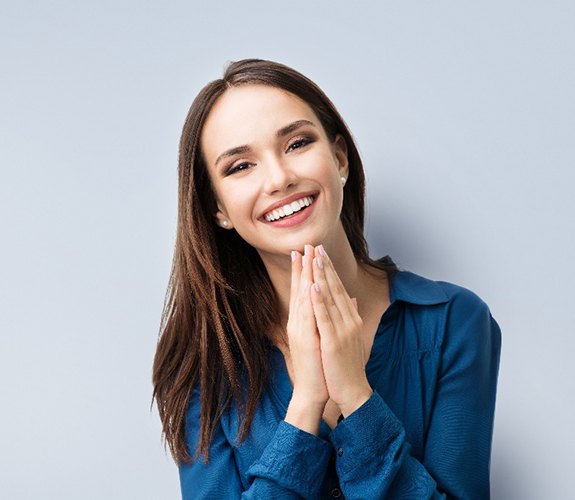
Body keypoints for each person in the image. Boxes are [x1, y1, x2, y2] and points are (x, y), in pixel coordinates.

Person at [152, 59, 501, 499]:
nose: (279, 179)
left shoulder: (455, 322)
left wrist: (356, 395)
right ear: (218, 209)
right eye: (240, 166)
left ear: (339, 159)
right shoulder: (202, 366)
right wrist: (305, 407)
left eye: (297, 143)